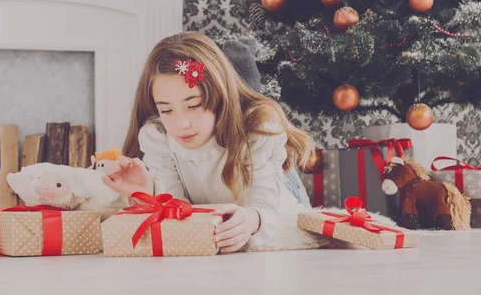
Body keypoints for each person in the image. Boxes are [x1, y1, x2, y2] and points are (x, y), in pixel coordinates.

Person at [101, 31, 324, 253]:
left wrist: (251, 220)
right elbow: (178, 213)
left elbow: (264, 208)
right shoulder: (158, 137)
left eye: (194, 105)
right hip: (225, 198)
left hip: (278, 196)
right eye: (166, 110)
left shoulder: (258, 131)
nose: (182, 124)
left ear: (218, 95)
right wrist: (148, 191)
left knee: (294, 205)